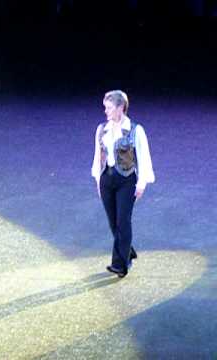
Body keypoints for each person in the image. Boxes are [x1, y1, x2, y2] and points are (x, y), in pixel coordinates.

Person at [91, 90, 155, 278]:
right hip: (107, 179)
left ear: (121, 108)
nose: (106, 111)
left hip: (126, 181)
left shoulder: (136, 130)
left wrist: (142, 182)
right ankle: (128, 250)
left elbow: (143, 157)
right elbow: (98, 156)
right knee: (113, 223)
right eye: (105, 107)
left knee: (123, 221)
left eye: (109, 108)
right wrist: (97, 179)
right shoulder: (101, 129)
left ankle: (120, 264)